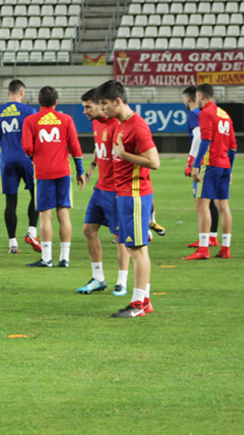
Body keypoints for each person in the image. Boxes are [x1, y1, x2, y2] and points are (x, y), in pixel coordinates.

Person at [98, 80, 160, 318]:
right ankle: (144, 300)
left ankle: (138, 304)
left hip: (134, 194)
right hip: (124, 194)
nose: (102, 108)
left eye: (105, 104)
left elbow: (154, 162)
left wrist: (124, 154)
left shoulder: (137, 126)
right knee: (135, 248)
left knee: (137, 249)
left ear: (118, 101)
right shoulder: (121, 124)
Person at [76, 88, 131, 296]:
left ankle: (122, 282)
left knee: (120, 237)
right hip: (100, 188)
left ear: (101, 104)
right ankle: (98, 278)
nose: (85, 111)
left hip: (116, 190)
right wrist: (91, 166)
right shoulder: (96, 123)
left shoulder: (118, 124)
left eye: (87, 107)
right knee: (89, 230)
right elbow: (100, 148)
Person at [21, 86, 83, 268]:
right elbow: (75, 147)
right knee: (64, 214)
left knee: (45, 216)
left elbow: (26, 147)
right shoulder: (66, 119)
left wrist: (36, 159)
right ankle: (65, 258)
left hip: (43, 173)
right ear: (56, 102)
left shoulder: (31, 120)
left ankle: (47, 258)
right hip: (63, 172)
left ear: (39, 102)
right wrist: (79, 171)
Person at [0, 79, 41, 254]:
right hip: (27, 160)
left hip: (7, 161)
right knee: (36, 195)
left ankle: (12, 243)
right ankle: (32, 231)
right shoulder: (29, 111)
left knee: (11, 202)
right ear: (22, 92)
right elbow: (36, 137)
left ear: (8, 93)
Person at [184, 83, 236, 260]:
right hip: (224, 164)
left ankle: (203, 248)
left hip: (210, 164)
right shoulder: (225, 115)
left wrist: (196, 164)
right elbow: (233, 147)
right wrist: (230, 169)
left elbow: (205, 139)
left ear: (200, 97)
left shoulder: (206, 112)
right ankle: (225, 248)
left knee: (202, 204)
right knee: (223, 206)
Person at [183, 86, 220, 249]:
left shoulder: (194, 114)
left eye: (184, 98)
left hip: (204, 161)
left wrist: (191, 160)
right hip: (218, 160)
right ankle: (213, 236)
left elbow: (199, 136)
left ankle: (205, 240)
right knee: (213, 201)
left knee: (201, 202)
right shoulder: (214, 112)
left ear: (189, 99)